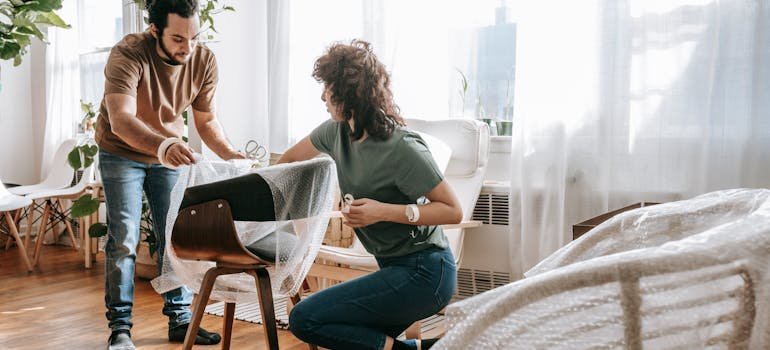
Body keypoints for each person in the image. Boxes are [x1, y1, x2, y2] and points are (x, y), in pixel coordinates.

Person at [280, 39, 463, 350]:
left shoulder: (402, 147)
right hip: (392, 268)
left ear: (352, 94)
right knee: (352, 336)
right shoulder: (334, 132)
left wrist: (382, 211)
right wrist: (319, 196)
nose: (322, 96)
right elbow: (287, 162)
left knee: (305, 318)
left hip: (426, 273)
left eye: (329, 88)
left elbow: (452, 210)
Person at [95, 0, 244, 349]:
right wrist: (163, 146)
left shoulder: (203, 60)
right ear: (155, 32)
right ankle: (120, 330)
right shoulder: (128, 54)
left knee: (174, 237)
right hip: (121, 151)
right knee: (125, 237)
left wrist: (230, 154)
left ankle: (180, 320)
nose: (187, 48)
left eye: (193, 37)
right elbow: (121, 119)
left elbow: (206, 120)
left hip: (166, 154)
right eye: (178, 39)